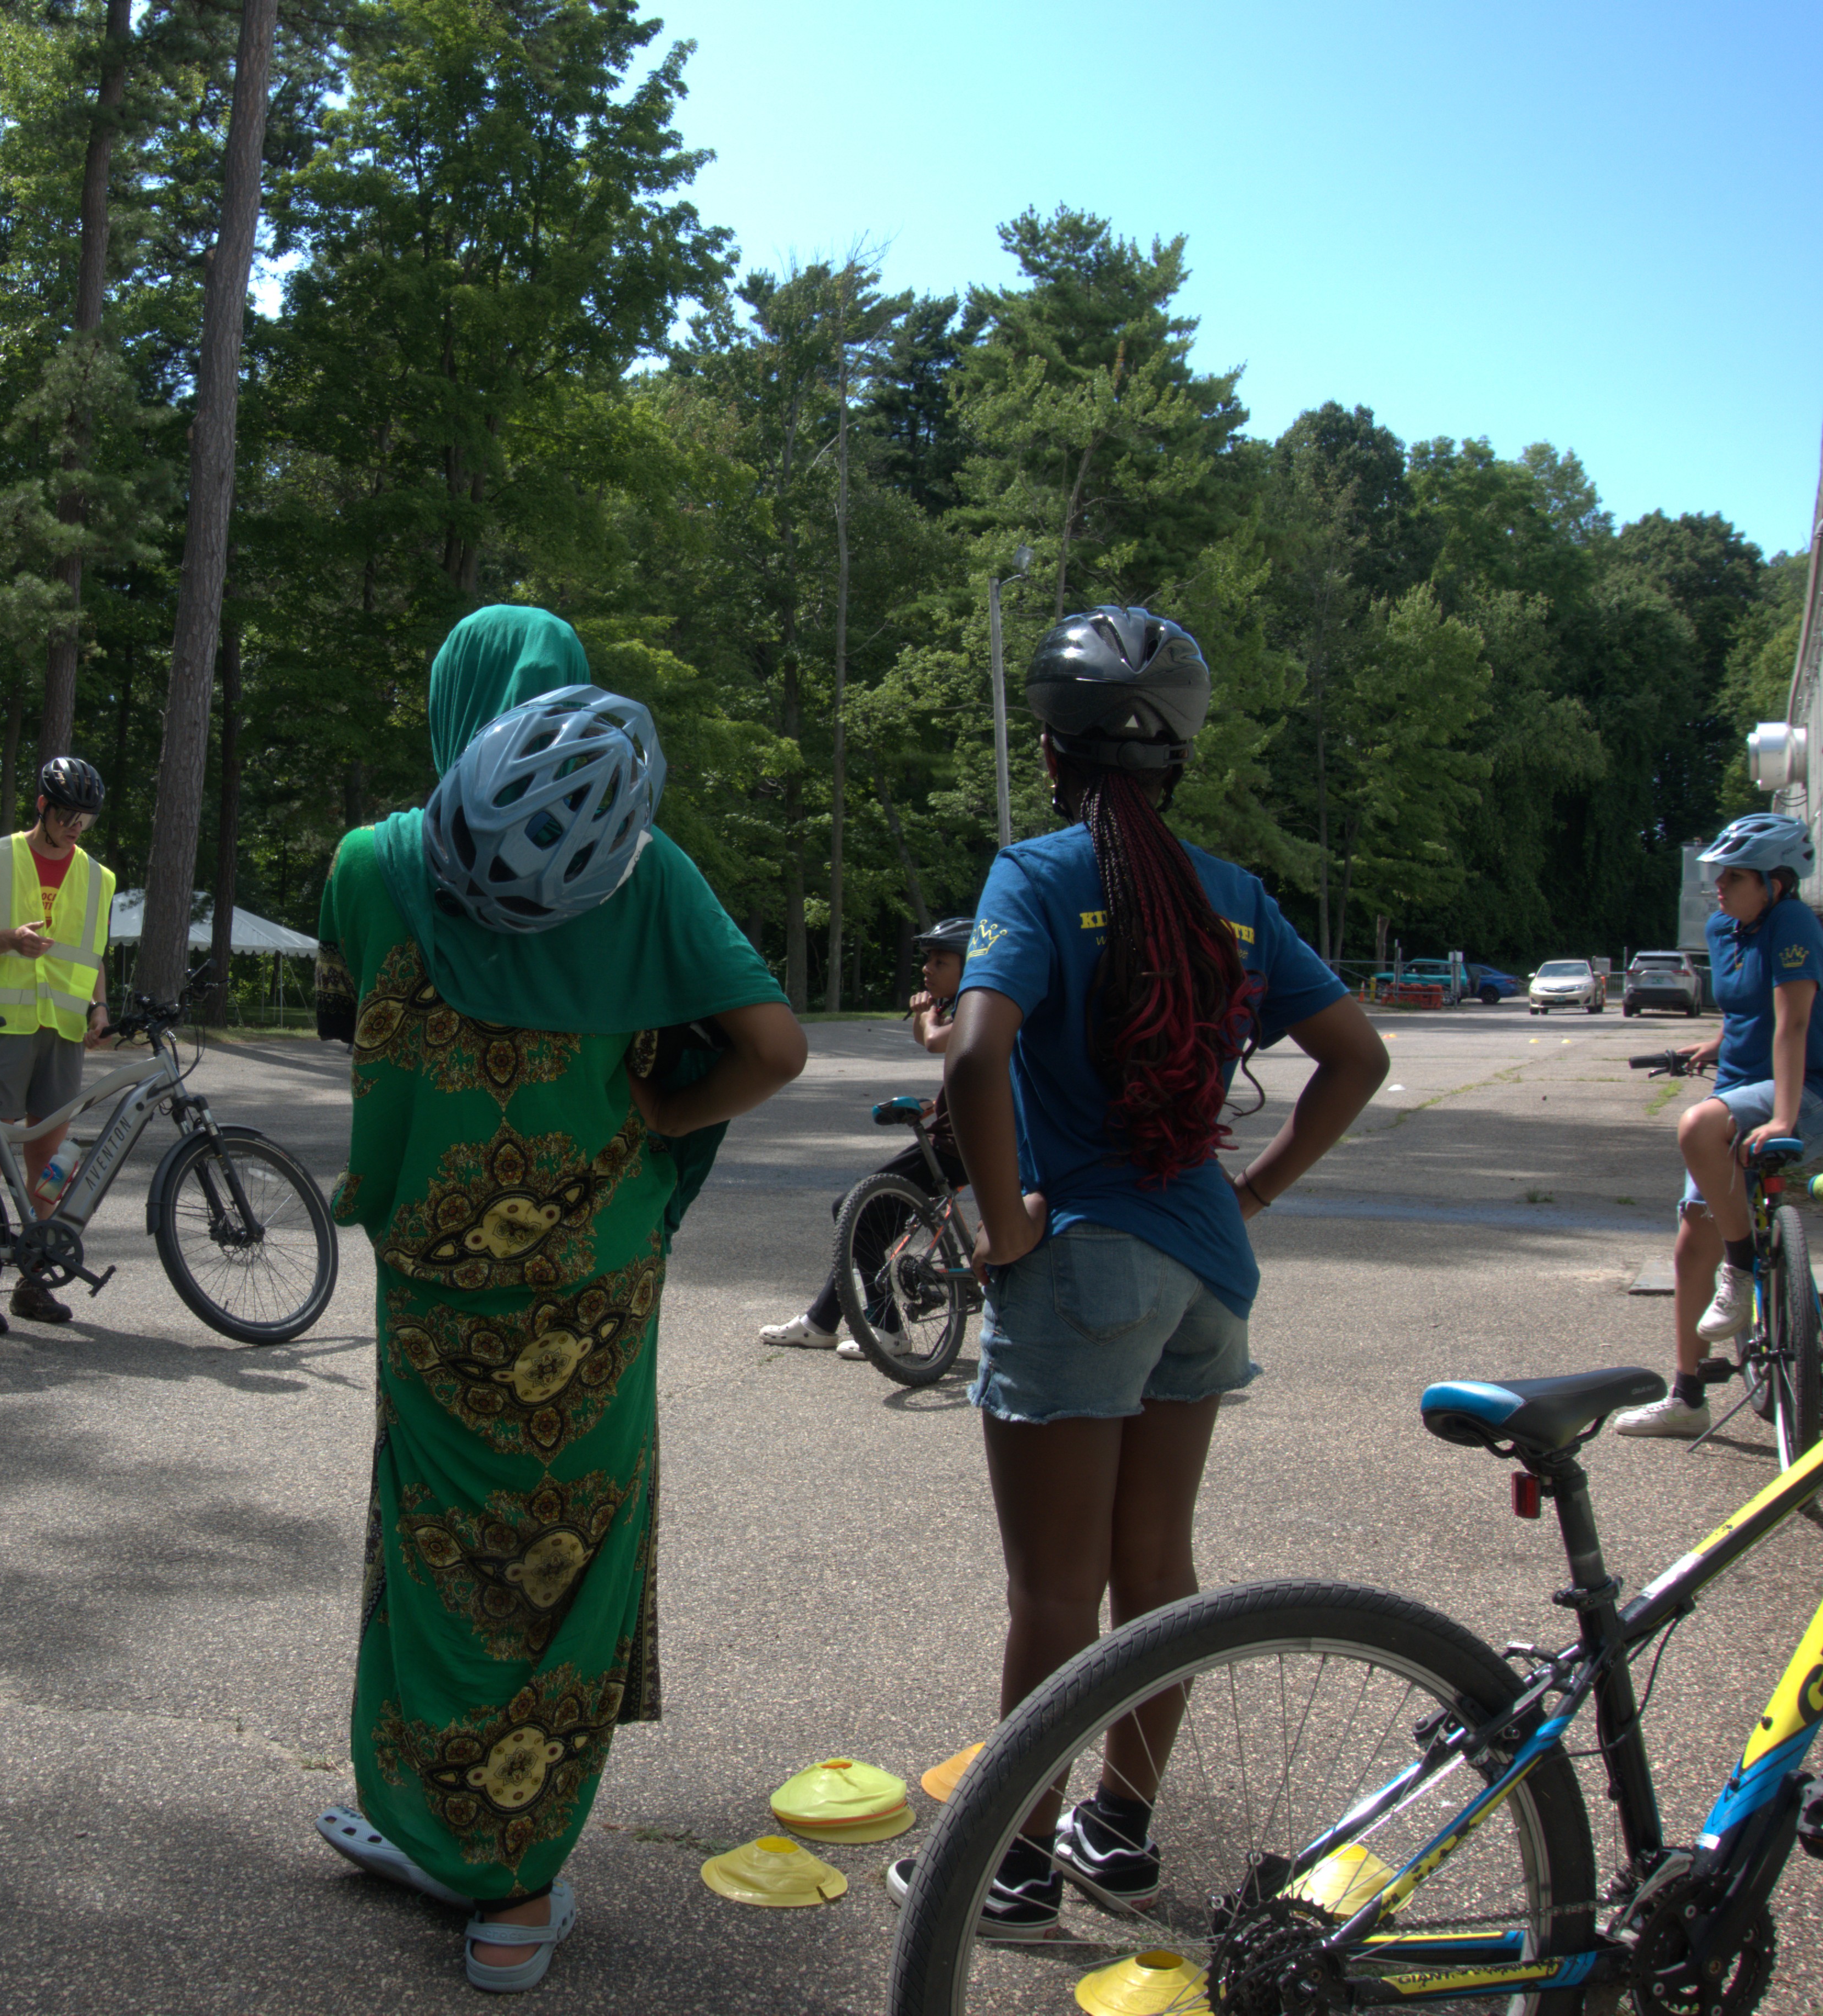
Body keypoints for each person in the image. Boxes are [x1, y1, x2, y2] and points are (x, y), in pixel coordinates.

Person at [306, 606, 806, 1993]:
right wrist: (663, 1101)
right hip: (592, 1293)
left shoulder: (370, 865)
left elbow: (365, 1024)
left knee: (439, 1553)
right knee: (564, 1563)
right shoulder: (645, 875)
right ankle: (514, 1888)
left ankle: (439, 1829)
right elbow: (774, 1045)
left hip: (435, 1292)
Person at [914, 606, 1386, 1934]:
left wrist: (1006, 1228)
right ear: (1177, 752)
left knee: (1054, 1588)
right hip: (1205, 1268)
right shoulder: (1234, 896)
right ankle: (1117, 1828)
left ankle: (1004, 1862)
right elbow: (1359, 1056)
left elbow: (972, 1053)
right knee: (1155, 1562)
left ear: (1056, 752)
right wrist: (1251, 1190)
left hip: (1086, 1270)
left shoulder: (1035, 872)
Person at [1615, 813, 1823, 1438]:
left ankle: (1744, 1269)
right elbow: (1749, 1009)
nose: (1718, 886)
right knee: (1692, 1239)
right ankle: (1688, 1395)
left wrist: (1783, 1115)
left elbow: (1793, 1023)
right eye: (1717, 875)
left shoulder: (1793, 923)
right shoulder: (1728, 929)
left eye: (1734, 876)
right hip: (1743, 1091)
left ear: (1775, 883)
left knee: (1698, 1126)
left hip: (1812, 1093)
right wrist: (1717, 1041)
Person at [0, 754, 114, 1332]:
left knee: (50, 1164)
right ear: (42, 806)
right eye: (66, 815)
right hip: (0, 1028)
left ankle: (34, 1284)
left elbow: (92, 955)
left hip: (63, 1033)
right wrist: (8, 942)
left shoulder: (99, 877)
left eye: (85, 819)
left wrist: (100, 1007)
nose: (75, 827)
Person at [757, 914, 977, 1359]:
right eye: (927, 960)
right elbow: (928, 1039)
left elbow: (935, 1042)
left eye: (940, 961)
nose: (927, 969)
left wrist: (928, 1016)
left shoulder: (978, 1007)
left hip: (961, 1147)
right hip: (953, 1138)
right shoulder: (957, 1006)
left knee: (852, 1210)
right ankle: (822, 1321)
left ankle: (888, 1329)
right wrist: (924, 1015)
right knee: (868, 1227)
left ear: (969, 966)